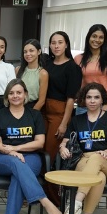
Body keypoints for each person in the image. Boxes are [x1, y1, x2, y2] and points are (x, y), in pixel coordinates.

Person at [0, 79, 63, 214]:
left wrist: (17, 147)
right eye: (12, 93)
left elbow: (39, 143)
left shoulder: (34, 115)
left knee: (18, 178)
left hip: (30, 158)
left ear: (25, 95)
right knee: (16, 164)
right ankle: (43, 199)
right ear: (7, 96)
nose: (15, 96)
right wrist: (12, 152)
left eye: (19, 92)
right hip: (2, 158)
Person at [58, 83, 107, 214]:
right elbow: (65, 141)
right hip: (84, 160)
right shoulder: (77, 120)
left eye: (96, 97)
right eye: (89, 97)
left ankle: (76, 203)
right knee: (99, 178)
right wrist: (62, 148)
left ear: (103, 100)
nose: (92, 101)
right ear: (83, 99)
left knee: (96, 158)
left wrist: (106, 152)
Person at [43, 31, 82, 204]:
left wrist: (64, 123)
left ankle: (54, 197)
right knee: (40, 153)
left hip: (59, 114)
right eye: (53, 42)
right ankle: (39, 193)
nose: (56, 46)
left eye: (60, 42)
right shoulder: (47, 64)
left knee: (50, 155)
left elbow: (71, 99)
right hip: (43, 111)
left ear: (66, 44)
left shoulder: (73, 68)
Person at [73, 24, 107, 112]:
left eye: (101, 37)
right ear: (88, 37)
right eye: (94, 36)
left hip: (104, 103)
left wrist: (105, 107)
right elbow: (75, 83)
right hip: (84, 104)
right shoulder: (78, 59)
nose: (97, 40)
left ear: (105, 40)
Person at [15, 39, 48, 111]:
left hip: (32, 107)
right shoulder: (18, 70)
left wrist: (32, 115)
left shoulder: (43, 73)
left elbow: (41, 101)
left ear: (39, 52)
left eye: (31, 51)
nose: (28, 54)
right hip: (16, 106)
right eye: (25, 52)